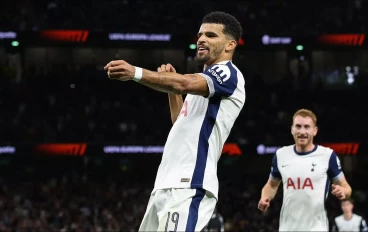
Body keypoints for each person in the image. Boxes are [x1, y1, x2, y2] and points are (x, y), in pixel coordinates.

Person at [104, 11, 245, 232]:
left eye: (211, 35)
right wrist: (172, 93)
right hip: (165, 184)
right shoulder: (202, 84)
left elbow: (182, 83)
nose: (201, 39)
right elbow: (180, 122)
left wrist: (136, 72)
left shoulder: (229, 74)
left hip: (190, 184)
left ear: (229, 45)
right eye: (200, 35)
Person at [257, 109, 352, 231]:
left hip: (317, 228)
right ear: (292, 129)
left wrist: (343, 191)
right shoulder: (281, 155)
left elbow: (347, 188)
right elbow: (271, 185)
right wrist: (265, 197)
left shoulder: (327, 155)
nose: (302, 131)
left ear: (315, 131)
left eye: (307, 127)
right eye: (298, 126)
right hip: (287, 228)